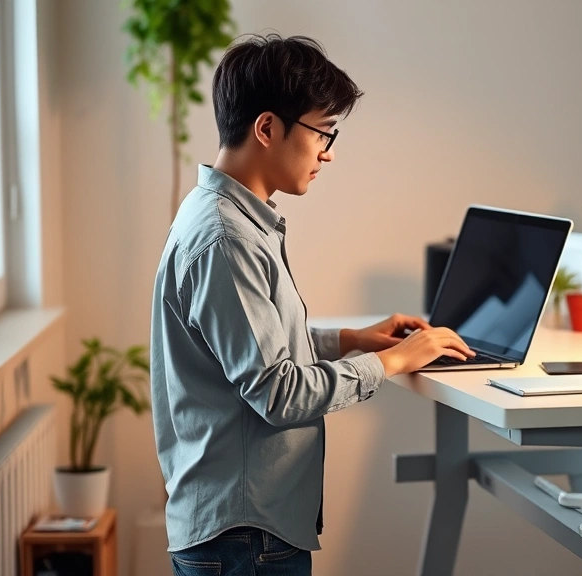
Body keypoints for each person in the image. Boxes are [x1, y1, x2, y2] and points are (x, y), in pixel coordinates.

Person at [149, 33, 475, 576]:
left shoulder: (224, 216)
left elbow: (247, 347)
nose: (329, 151)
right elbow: (276, 391)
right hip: (245, 538)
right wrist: (393, 361)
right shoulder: (226, 239)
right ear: (267, 128)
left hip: (242, 528)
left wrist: (353, 339)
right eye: (323, 131)